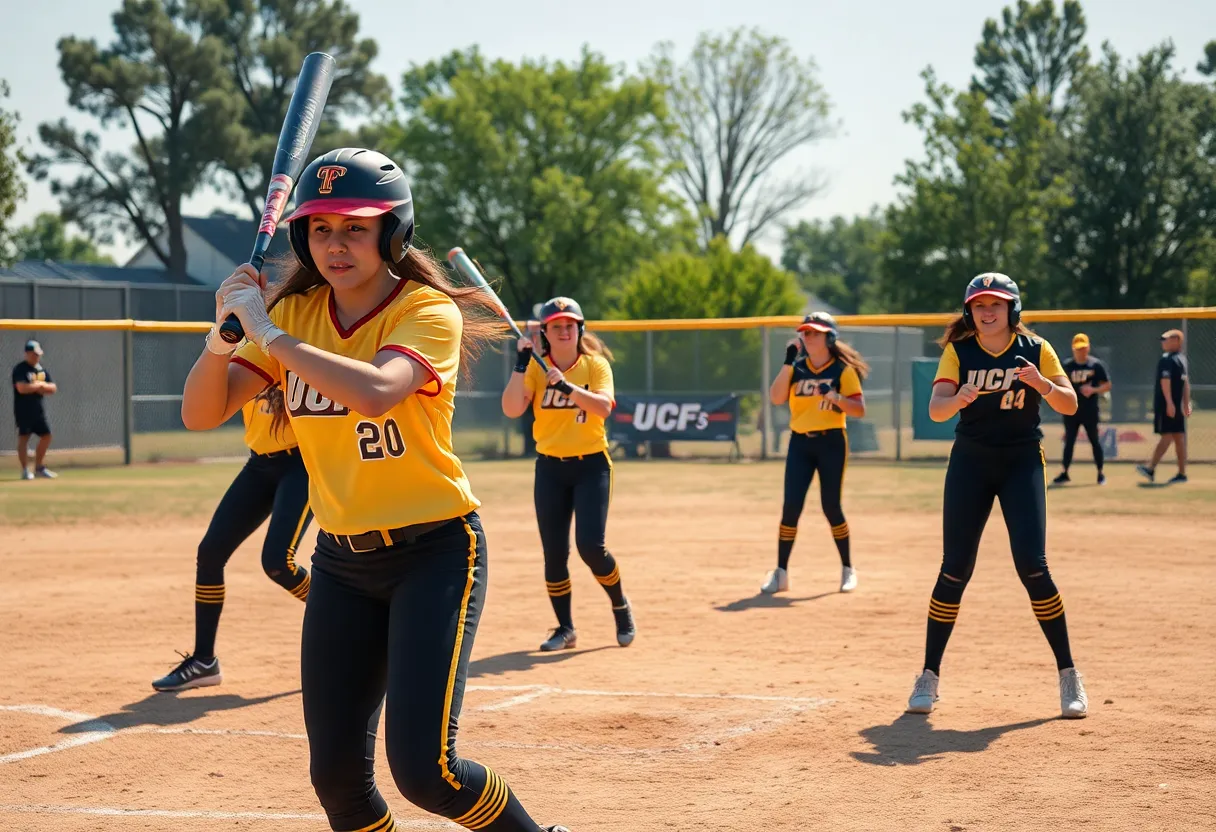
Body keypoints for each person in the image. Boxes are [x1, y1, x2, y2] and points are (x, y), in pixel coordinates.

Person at [180, 147, 569, 832]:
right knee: (337, 782)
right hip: (342, 564)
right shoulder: (296, 314)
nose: (336, 244)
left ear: (392, 234)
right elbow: (200, 412)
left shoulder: (424, 310)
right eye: (322, 228)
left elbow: (376, 392)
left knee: (428, 773)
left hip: (437, 553)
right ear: (302, 235)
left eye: (357, 227)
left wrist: (266, 329)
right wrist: (223, 336)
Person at [907, 273, 1088, 719]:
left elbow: (1070, 404)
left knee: (1032, 564)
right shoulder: (959, 351)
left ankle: (1069, 675)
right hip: (971, 462)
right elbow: (935, 410)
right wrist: (958, 399)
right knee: (955, 569)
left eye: (997, 304)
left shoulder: (1036, 349)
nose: (988, 312)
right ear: (969, 311)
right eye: (980, 305)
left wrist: (1043, 384)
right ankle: (928, 675)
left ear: (1013, 310)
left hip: (1021, 460)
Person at [151, 390, 313, 692]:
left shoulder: (298, 345)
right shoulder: (249, 349)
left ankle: (342, 611)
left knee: (278, 562)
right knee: (210, 553)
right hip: (259, 463)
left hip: (301, 463)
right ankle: (203, 661)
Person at [500, 297, 635, 653]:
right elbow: (513, 409)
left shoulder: (595, 366)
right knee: (554, 554)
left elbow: (604, 407)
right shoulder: (534, 368)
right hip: (550, 469)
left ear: (580, 330)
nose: (563, 331)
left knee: (591, 547)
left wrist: (565, 388)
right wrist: (519, 365)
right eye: (556, 325)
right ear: (544, 332)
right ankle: (565, 628)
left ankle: (620, 606)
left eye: (569, 325)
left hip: (590, 465)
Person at [762, 312, 868, 595]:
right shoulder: (796, 369)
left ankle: (848, 568)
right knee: (790, 508)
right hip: (800, 444)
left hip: (831, 442)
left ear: (830, 338)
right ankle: (781, 573)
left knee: (831, 507)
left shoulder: (842, 371)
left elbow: (858, 409)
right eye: (805, 333)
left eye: (815, 333)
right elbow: (775, 397)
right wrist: (787, 361)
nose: (809, 338)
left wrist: (835, 398)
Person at [1053, 333, 1111, 486]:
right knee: (1069, 441)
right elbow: (1059, 384)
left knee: (1094, 440)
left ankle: (1100, 473)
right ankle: (1065, 472)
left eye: (1084, 348)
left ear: (1088, 348)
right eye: (1079, 349)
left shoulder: (1095, 365)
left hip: (1090, 410)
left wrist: (1093, 390)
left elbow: (1107, 385)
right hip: (1071, 410)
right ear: (1073, 349)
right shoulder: (1067, 366)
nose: (1081, 351)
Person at [1137, 329, 1191, 485]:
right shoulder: (1181, 359)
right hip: (1176, 405)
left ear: (1176, 341)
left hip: (1169, 405)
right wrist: (1185, 403)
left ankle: (1151, 468)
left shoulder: (1168, 359)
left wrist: (1171, 403)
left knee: (1169, 435)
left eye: (1166, 339)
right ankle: (1181, 473)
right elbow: (1185, 383)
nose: (1163, 342)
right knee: (1178, 437)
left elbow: (1167, 382)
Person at [12, 339, 57, 480]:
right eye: (33, 354)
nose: (36, 357)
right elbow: (21, 388)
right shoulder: (20, 369)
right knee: (24, 438)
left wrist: (42, 386)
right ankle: (25, 470)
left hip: (38, 410)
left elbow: (53, 387)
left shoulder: (41, 370)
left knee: (47, 435)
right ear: (27, 354)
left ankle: (39, 467)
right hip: (23, 410)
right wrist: (38, 386)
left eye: (37, 354)